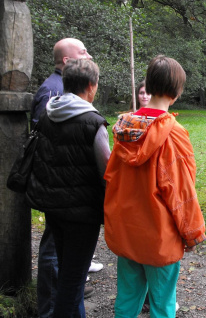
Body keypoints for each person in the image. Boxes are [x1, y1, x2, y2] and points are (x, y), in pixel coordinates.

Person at [104, 55, 206, 318]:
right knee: (162, 305)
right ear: (178, 91)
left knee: (126, 300)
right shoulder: (173, 133)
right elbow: (181, 191)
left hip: (127, 230)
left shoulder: (123, 128)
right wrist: (192, 233)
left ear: (147, 86)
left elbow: (111, 180)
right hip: (160, 236)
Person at [26, 59, 110, 317]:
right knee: (72, 283)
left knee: (65, 271)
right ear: (91, 86)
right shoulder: (93, 122)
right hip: (81, 215)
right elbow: (107, 171)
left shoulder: (49, 114)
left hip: (53, 207)